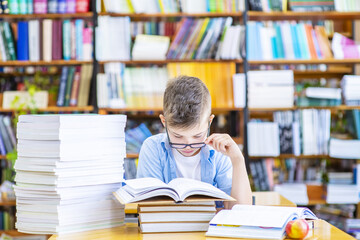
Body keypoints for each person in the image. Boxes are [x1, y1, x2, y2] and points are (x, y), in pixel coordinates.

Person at [136, 75, 252, 208]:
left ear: (209, 122)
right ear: (164, 122)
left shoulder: (220, 151)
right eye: (178, 136)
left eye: (197, 136)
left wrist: (238, 159)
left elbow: (241, 210)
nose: (187, 145)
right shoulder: (152, 148)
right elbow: (150, 208)